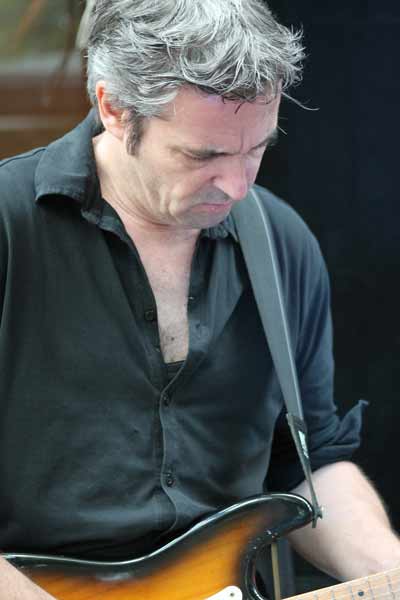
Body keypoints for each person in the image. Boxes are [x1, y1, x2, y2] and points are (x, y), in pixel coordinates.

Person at [1, 0, 399, 598]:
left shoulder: (281, 242)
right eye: (202, 155)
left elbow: (307, 460)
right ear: (114, 109)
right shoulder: (9, 227)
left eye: (256, 149)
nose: (237, 186)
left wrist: (390, 573)